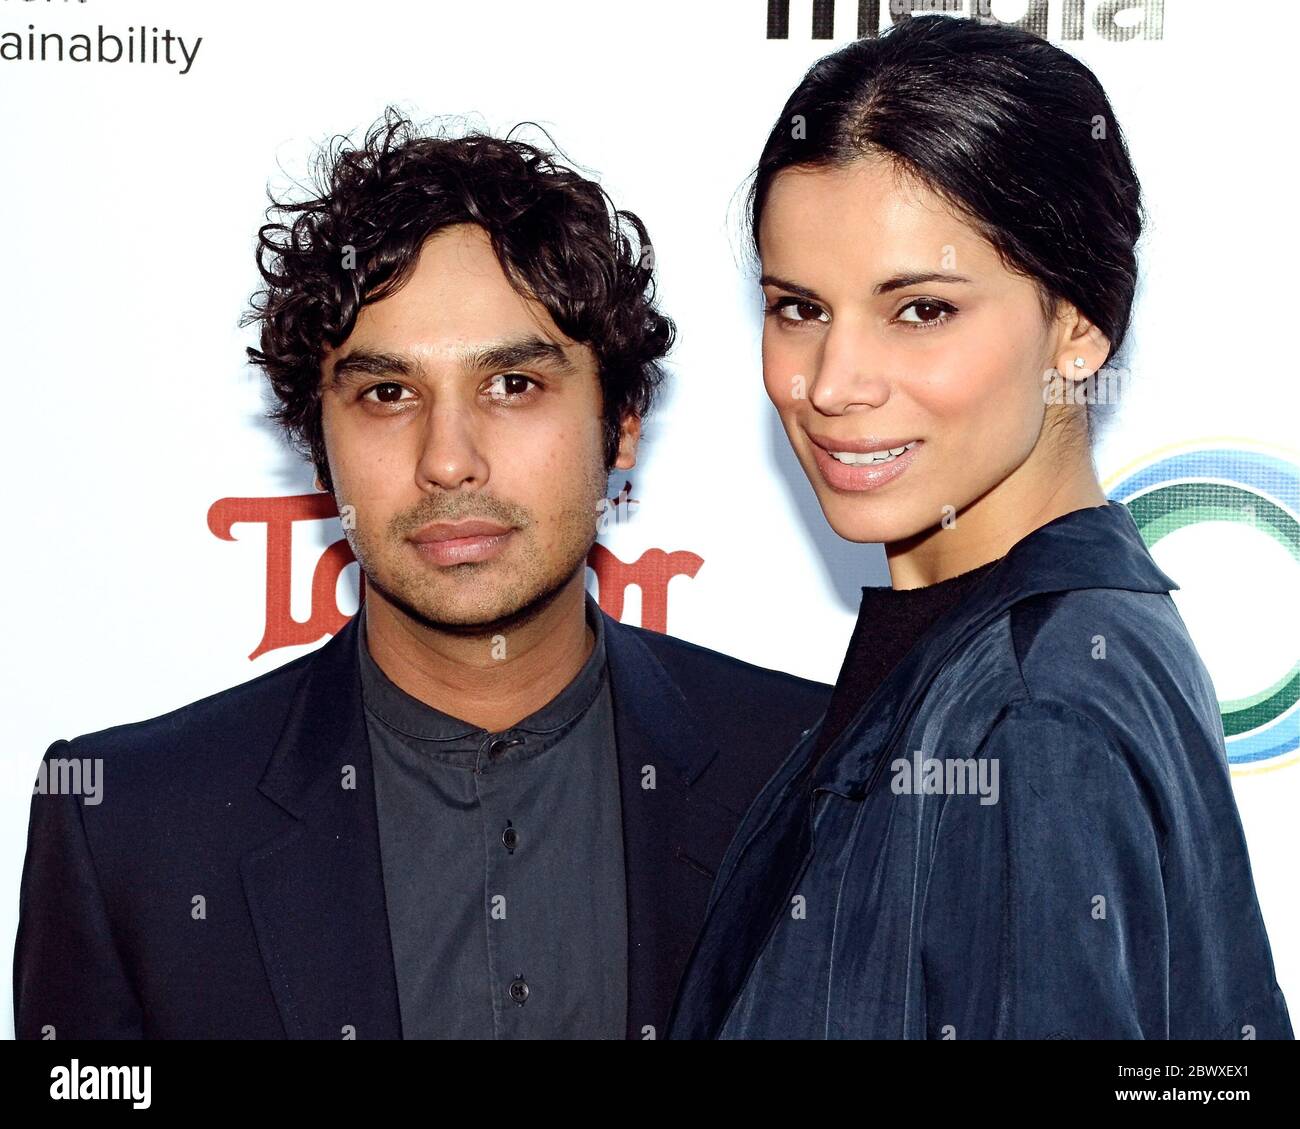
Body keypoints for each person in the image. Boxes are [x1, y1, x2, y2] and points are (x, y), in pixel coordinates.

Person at [13, 108, 830, 1040]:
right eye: (386, 394)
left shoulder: (817, 774)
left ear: (623, 421)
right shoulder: (130, 825)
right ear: (315, 448)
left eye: (513, 385)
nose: (449, 460)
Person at [667, 15, 1293, 1040]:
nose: (830, 384)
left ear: (1079, 327)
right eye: (798, 308)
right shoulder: (1040, 642)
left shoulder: (1033, 704)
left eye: (920, 311)